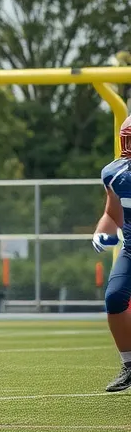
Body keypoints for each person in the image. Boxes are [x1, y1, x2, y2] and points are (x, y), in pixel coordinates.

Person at [93, 115, 131, 392]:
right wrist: (101, 231)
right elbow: (111, 213)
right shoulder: (115, 173)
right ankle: (129, 365)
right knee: (114, 297)